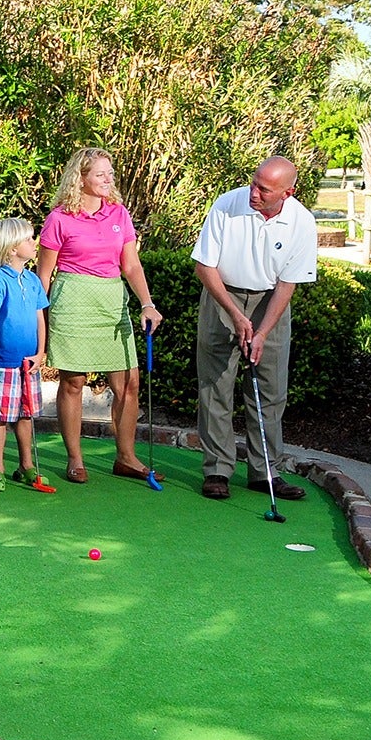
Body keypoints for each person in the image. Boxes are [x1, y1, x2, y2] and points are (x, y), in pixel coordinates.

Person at [191, 156, 318, 501]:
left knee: (270, 389)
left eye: (264, 188)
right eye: (253, 182)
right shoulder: (227, 204)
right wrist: (234, 313)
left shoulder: (302, 222)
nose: (254, 192)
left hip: (270, 301)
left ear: (287, 192)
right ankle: (217, 468)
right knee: (215, 383)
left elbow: (288, 283)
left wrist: (260, 332)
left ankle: (265, 472)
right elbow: (205, 265)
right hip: (222, 294)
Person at [37, 147, 163, 485]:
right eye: (100, 174)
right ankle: (75, 459)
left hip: (111, 300)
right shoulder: (59, 218)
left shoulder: (119, 214)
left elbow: (131, 265)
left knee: (129, 384)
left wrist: (147, 303)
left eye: (109, 174)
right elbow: (44, 276)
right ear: (81, 179)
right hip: (73, 301)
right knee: (74, 382)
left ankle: (126, 457)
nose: (108, 179)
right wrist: (38, 321)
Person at [0, 218, 50, 493]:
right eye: (28, 239)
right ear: (12, 248)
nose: (34, 243)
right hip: (5, 360)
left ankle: (26, 465)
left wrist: (41, 352)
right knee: (2, 415)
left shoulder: (32, 280)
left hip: (29, 361)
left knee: (26, 413)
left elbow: (40, 318)